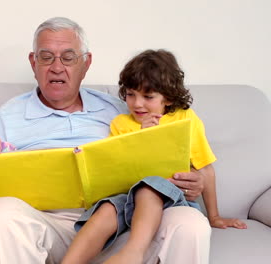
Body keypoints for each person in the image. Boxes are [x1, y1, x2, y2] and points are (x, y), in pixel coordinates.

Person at [0, 17, 211, 264]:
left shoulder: (122, 110)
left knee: (189, 223)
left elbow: (165, 157)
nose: (56, 67)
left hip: (119, 228)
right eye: (46, 57)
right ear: (33, 62)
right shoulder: (7, 116)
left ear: (85, 63)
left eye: (68, 57)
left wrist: (193, 181)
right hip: (42, 228)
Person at [62, 49, 247, 264]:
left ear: (168, 98)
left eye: (148, 97)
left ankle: (132, 253)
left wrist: (214, 216)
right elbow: (116, 167)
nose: (137, 103)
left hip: (167, 195)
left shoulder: (184, 119)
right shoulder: (121, 124)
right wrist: (141, 135)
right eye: (131, 94)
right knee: (105, 209)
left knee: (150, 187)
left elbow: (205, 168)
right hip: (126, 196)